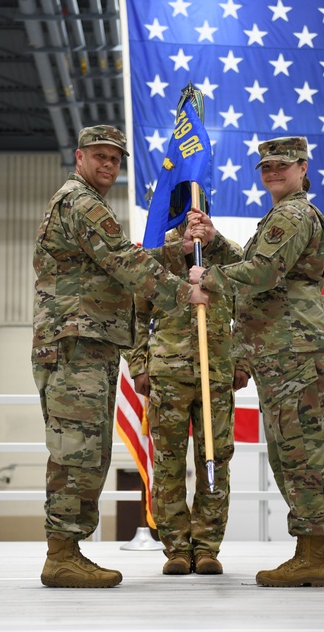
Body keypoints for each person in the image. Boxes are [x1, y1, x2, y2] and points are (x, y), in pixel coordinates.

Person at [32, 125, 209, 588]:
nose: (108, 165)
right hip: (76, 343)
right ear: (79, 157)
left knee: (87, 449)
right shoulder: (81, 203)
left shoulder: (85, 202)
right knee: (77, 450)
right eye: (100, 156)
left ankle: (67, 550)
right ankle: (62, 555)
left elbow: (124, 259)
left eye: (115, 158)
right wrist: (181, 293)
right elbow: (126, 262)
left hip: (88, 342)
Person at [188, 136, 324, 587]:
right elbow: (261, 265)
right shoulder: (282, 215)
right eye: (266, 166)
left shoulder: (291, 214)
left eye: (282, 165)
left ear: (302, 167)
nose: (273, 171)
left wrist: (208, 279)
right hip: (281, 349)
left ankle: (312, 554)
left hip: (292, 348)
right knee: (288, 450)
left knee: (299, 452)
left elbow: (264, 273)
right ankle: (307, 551)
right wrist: (216, 244)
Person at [127, 214, 243, 576]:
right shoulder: (157, 258)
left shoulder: (227, 254)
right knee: (169, 464)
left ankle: (207, 547)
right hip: (168, 373)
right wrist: (138, 364)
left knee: (215, 459)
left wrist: (244, 362)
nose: (192, 215)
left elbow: (252, 309)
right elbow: (135, 315)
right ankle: (176, 548)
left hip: (217, 372)